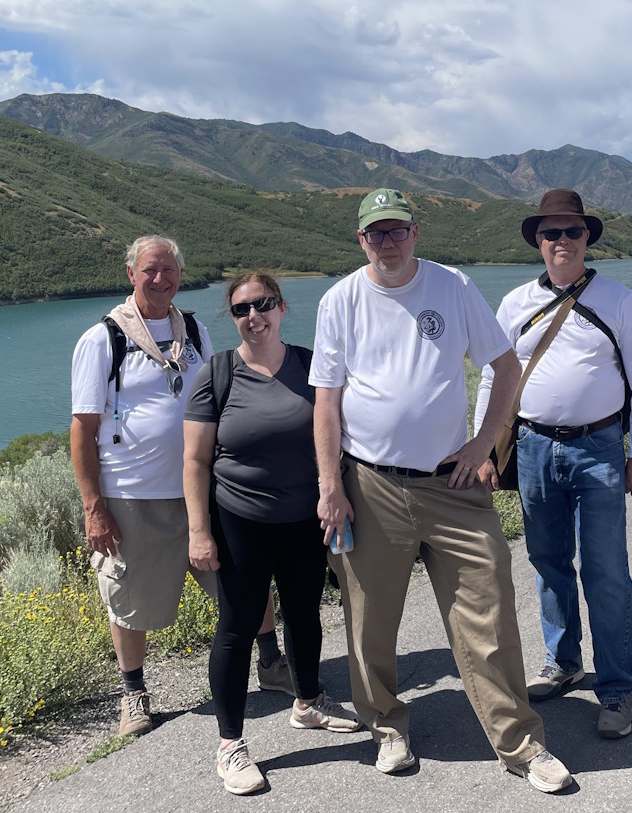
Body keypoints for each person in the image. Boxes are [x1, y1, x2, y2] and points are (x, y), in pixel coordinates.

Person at [310, 188, 572, 793]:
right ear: (361, 241)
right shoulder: (340, 299)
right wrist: (331, 485)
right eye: (376, 234)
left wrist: (484, 443)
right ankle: (386, 728)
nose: (388, 242)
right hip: (370, 483)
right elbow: (326, 401)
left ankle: (520, 742)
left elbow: (504, 367)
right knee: (370, 618)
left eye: (397, 230)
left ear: (415, 232)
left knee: (489, 608)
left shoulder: (451, 286)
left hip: (452, 485)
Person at [70, 236, 286, 741]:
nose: (160, 279)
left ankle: (272, 664)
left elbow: (217, 396)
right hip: (132, 496)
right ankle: (135, 694)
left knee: (246, 579)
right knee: (127, 597)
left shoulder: (192, 330)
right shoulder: (103, 339)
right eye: (150, 270)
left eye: (169, 269)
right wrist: (93, 506)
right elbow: (82, 427)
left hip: (206, 489)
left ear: (180, 274)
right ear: (131, 275)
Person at [474, 188, 632, 739]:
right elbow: (492, 377)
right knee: (548, 561)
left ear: (587, 239)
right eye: (551, 232)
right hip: (532, 448)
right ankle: (563, 662)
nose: (561, 241)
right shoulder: (512, 304)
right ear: (537, 240)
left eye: (571, 232)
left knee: (605, 570)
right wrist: (485, 447)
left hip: (599, 448)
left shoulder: (618, 299)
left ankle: (617, 688)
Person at [183, 272, 361, 795]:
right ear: (233, 318)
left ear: (282, 307)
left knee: (306, 614)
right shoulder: (218, 375)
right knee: (237, 627)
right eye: (241, 309)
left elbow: (347, 430)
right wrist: (199, 530)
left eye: (263, 305)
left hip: (306, 518)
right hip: (239, 520)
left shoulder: (311, 366)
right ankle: (230, 743)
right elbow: (194, 460)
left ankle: (308, 702)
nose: (253, 316)